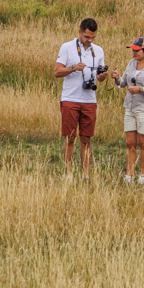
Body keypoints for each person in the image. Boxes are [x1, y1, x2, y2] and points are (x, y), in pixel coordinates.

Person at [55, 18, 105, 179]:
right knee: (70, 138)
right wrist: (73, 68)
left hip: (89, 100)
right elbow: (57, 72)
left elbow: (99, 77)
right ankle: (68, 172)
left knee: (86, 138)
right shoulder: (67, 47)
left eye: (93, 38)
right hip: (70, 98)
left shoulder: (98, 51)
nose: (89, 40)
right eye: (87, 37)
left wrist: (102, 76)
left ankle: (85, 174)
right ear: (79, 32)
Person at [110, 36, 144, 184]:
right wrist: (117, 78)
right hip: (130, 107)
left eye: (136, 50)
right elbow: (123, 83)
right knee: (130, 143)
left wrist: (140, 89)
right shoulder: (131, 64)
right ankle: (129, 174)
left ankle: (143, 175)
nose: (133, 53)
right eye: (132, 50)